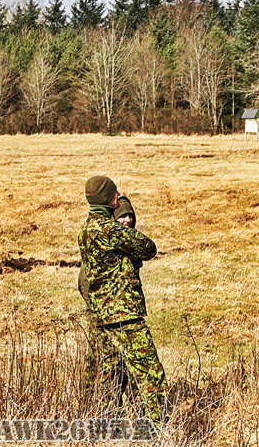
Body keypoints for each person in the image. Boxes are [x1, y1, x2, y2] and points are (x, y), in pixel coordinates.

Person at [78, 176, 167, 423]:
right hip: (123, 314)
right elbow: (148, 248)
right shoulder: (110, 230)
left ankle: (105, 425)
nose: (118, 195)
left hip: (99, 315)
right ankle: (158, 428)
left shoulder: (85, 230)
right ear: (108, 198)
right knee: (149, 371)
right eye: (114, 192)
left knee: (109, 375)